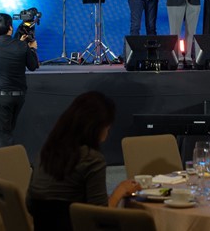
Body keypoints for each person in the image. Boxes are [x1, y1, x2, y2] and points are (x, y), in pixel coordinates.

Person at [26, 91, 140, 231]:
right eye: (107, 126)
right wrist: (120, 190)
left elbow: (30, 204)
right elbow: (100, 217)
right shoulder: (92, 159)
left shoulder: (45, 153)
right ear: (96, 128)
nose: (108, 131)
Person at [0, 12, 39, 148]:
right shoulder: (22, 46)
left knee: (4, 135)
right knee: (5, 133)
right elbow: (33, 66)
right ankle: (0, 160)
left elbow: (3, 50)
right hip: (19, 97)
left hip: (2, 98)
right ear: (10, 27)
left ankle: (11, 161)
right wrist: (32, 49)